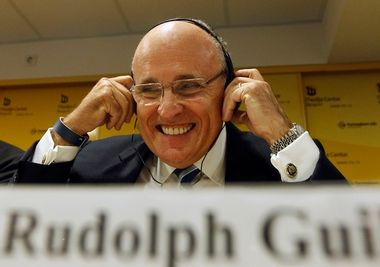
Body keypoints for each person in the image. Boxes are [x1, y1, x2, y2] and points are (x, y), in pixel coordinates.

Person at [14, 18, 345, 187]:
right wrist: (69, 130)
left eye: (189, 86)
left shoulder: (287, 167)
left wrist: (281, 133)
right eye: (148, 89)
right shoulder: (91, 163)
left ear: (231, 89)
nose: (168, 109)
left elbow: (351, 242)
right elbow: (16, 229)